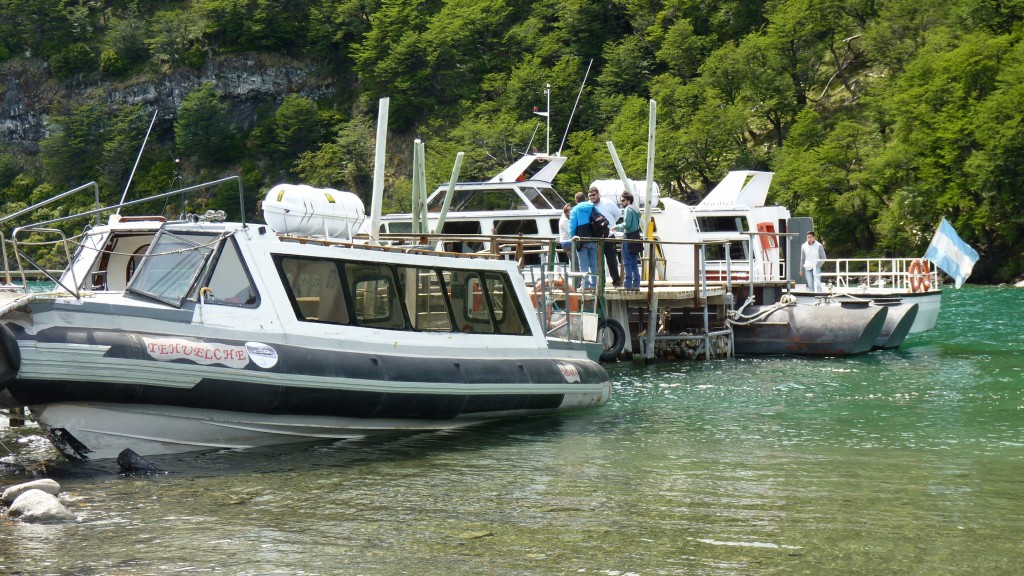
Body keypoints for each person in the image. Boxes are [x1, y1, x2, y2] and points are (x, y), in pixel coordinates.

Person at [588, 186, 622, 287]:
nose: (592, 197)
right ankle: (601, 282)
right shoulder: (588, 206)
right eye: (590, 195)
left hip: (609, 236)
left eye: (594, 195)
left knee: (612, 260)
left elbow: (618, 214)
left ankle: (616, 280)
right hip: (596, 237)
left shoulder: (608, 202)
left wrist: (611, 226)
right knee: (598, 261)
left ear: (598, 194)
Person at [568, 196, 599, 289]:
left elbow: (572, 225)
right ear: (584, 198)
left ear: (576, 200)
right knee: (594, 263)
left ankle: (585, 285)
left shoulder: (575, 209)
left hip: (581, 239)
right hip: (593, 237)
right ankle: (595, 285)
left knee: (583, 264)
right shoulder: (592, 207)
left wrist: (572, 235)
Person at [617, 191, 642, 291]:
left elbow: (627, 224)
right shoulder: (636, 210)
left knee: (627, 262)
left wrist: (617, 227)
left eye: (623, 200)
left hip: (628, 238)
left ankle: (627, 285)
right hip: (636, 237)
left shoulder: (628, 209)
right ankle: (636, 284)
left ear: (628, 200)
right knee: (634, 262)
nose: (621, 202)